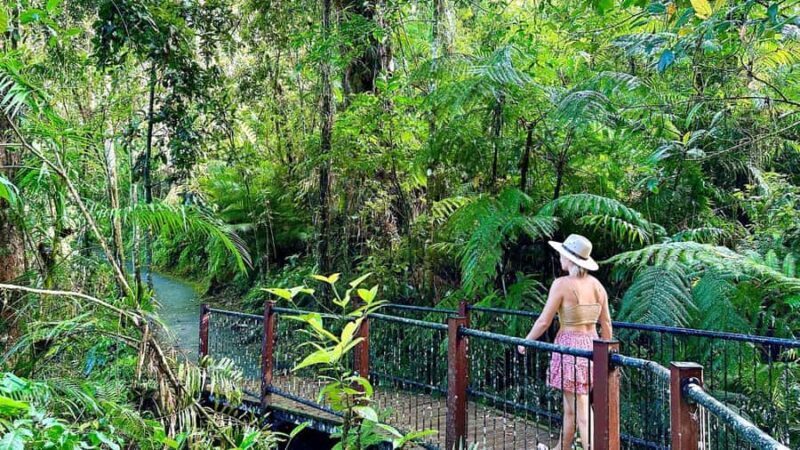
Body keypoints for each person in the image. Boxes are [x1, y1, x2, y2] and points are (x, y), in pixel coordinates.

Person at [517, 234, 612, 450]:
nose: (560, 257)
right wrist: (605, 356)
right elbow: (606, 323)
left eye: (562, 254)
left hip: (569, 350)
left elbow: (544, 321)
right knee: (571, 408)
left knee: (582, 411)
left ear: (570, 258)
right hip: (593, 348)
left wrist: (526, 342)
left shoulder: (561, 284)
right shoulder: (598, 286)